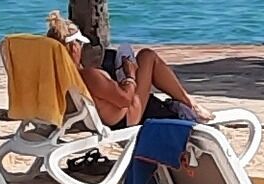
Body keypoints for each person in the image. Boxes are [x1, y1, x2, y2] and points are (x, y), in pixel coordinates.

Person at [44, 10, 203, 127]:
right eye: (80, 44)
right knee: (148, 57)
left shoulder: (53, 75)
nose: (82, 47)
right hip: (125, 118)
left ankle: (187, 102)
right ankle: (190, 104)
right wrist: (129, 75)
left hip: (94, 118)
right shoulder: (87, 76)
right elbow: (125, 100)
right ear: (74, 48)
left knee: (137, 60)